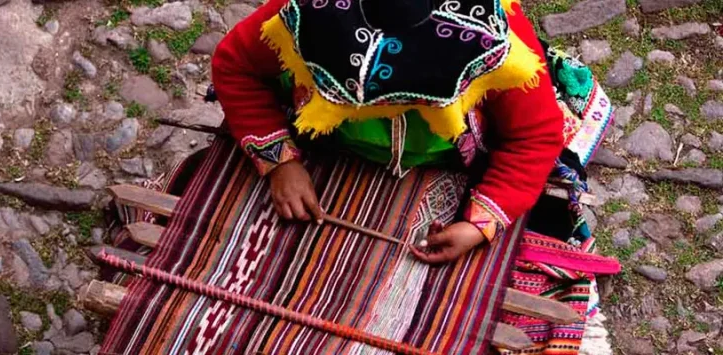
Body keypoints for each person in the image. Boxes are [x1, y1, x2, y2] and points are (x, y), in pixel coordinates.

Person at [212, 0, 566, 264]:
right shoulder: (304, 13)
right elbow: (234, 64)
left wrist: (479, 223)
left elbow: (535, 135)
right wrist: (280, 161)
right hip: (331, 137)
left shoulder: (494, 44)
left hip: (446, 153)